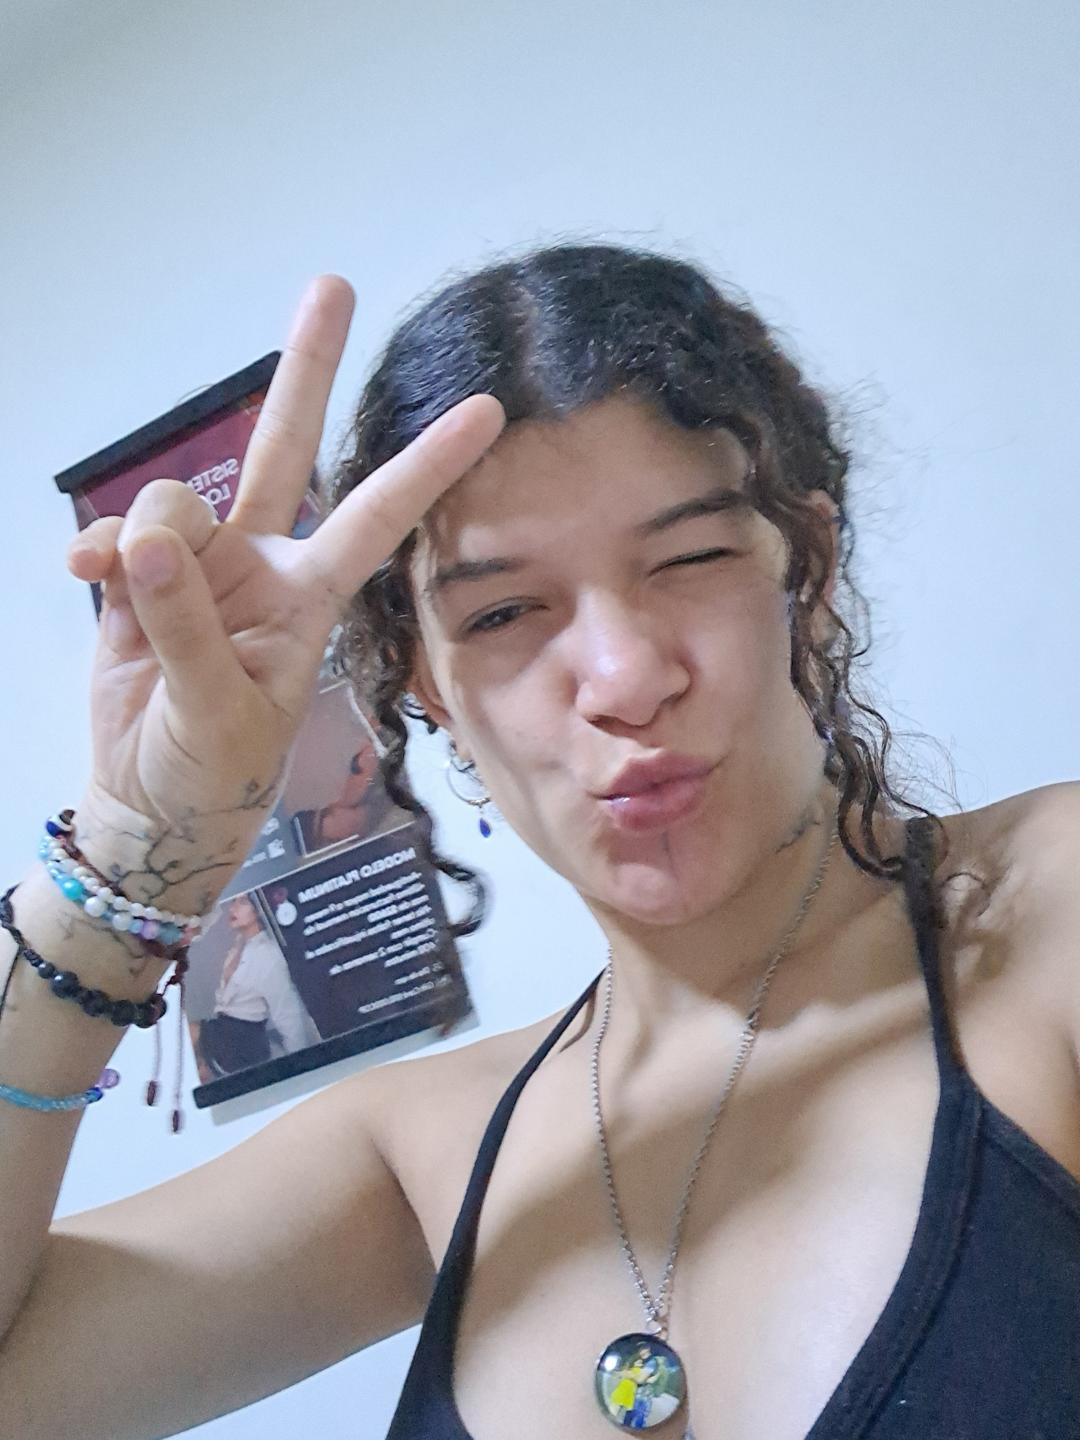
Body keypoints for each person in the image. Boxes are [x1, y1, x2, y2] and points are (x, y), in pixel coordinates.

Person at [0, 245, 1076, 1440]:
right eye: (505, 611)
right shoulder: (418, 1155)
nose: (622, 678)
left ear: (807, 576)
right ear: (428, 686)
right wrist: (130, 859)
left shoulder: (1054, 917)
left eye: (691, 559)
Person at [192, 893, 321, 1081]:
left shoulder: (268, 955)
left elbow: (286, 1013)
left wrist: (299, 1064)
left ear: (258, 910)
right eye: (234, 901)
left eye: (243, 902)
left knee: (188, 1034)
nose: (233, 908)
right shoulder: (239, 945)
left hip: (243, 1043)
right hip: (222, 1030)